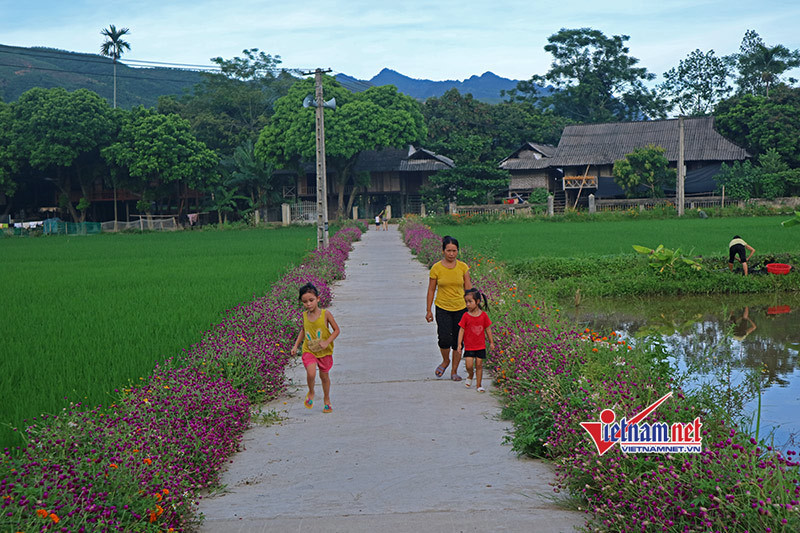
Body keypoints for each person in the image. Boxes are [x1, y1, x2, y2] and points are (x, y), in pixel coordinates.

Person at [426, 235, 472, 381]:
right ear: (443, 251)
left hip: (461, 308)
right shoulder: (436, 268)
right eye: (448, 251)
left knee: (458, 342)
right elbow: (431, 290)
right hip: (443, 307)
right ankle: (446, 361)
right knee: (444, 339)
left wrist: (472, 308)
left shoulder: (463, 267)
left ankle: (454, 371)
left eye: (454, 251)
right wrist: (428, 310)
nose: (451, 254)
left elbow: (468, 289)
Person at [291, 283, 340, 413]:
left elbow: (336, 330)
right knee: (311, 373)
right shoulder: (304, 316)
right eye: (305, 302)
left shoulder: (326, 314)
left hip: (324, 351)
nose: (308, 304)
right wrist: (296, 345)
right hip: (309, 350)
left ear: (318, 299)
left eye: (311, 300)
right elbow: (303, 330)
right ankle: (311, 392)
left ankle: (327, 400)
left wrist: (327, 341)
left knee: (324, 377)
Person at [456, 288, 494, 393]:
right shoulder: (465, 316)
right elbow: (461, 330)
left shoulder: (483, 316)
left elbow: (488, 329)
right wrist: (459, 344)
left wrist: (491, 342)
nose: (467, 304)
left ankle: (479, 385)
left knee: (479, 365)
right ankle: (470, 374)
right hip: (469, 346)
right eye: (466, 302)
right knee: (469, 365)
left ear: (477, 302)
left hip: (480, 345)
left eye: (470, 301)